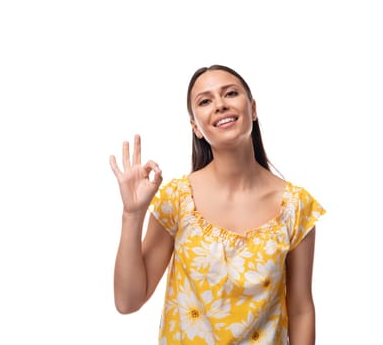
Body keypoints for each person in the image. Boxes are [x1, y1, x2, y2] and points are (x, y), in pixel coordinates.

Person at [110, 64, 326, 344]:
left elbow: (300, 310)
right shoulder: (177, 199)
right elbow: (128, 302)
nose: (220, 105)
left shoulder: (296, 207)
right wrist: (132, 214)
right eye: (205, 101)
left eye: (231, 93)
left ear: (253, 108)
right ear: (195, 127)